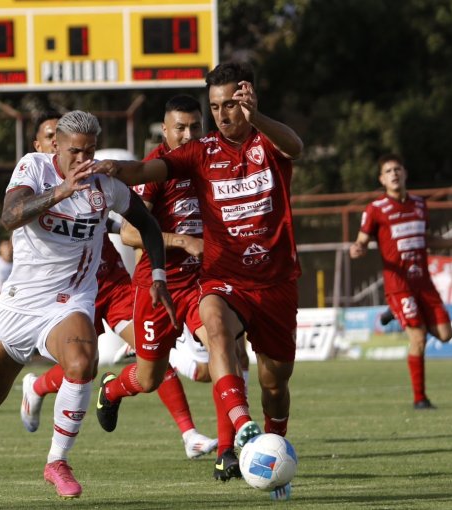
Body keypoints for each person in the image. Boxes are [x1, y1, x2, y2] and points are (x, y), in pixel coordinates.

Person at [92, 62, 304, 498]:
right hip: (214, 280)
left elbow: (296, 146)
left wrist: (256, 116)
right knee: (216, 335)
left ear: (246, 101)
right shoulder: (199, 153)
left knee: (275, 381)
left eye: (230, 106)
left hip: (277, 281)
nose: (223, 115)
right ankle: (241, 435)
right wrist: (110, 167)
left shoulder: (269, 141)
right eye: (216, 107)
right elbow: (144, 175)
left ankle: (272, 441)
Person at [0, 110, 175, 507]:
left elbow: (148, 225)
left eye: (90, 150)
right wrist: (62, 191)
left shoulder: (104, 183)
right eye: (75, 151)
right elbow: (9, 216)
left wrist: (158, 274)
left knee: (82, 362)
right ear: (56, 145)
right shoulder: (33, 168)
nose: (83, 159)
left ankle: (57, 461)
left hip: (71, 301)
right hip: (21, 304)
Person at [19, 104, 217, 460]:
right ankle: (36, 387)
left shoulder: (90, 180)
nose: (63, 149)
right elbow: (14, 218)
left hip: (110, 283)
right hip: (65, 294)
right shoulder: (31, 185)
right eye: (51, 139)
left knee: (148, 353)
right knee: (79, 366)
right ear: (41, 145)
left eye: (83, 148)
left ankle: (189, 434)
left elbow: (122, 224)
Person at [95, 94, 224, 459]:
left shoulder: (212, 161)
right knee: (149, 378)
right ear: (164, 131)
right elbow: (130, 234)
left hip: (204, 282)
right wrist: (183, 240)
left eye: (194, 127)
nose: (187, 135)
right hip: (159, 285)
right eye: (179, 128)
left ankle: (230, 449)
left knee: (225, 352)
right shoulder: (155, 169)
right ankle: (114, 388)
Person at [350, 154, 452, 409]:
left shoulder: (420, 205)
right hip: (398, 285)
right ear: (382, 179)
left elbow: (427, 239)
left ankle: (395, 313)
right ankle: (420, 399)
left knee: (445, 334)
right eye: (388, 171)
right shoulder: (375, 210)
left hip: (423, 283)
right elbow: (361, 242)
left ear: (405, 173)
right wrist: (356, 249)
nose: (394, 174)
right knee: (418, 338)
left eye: (397, 169)